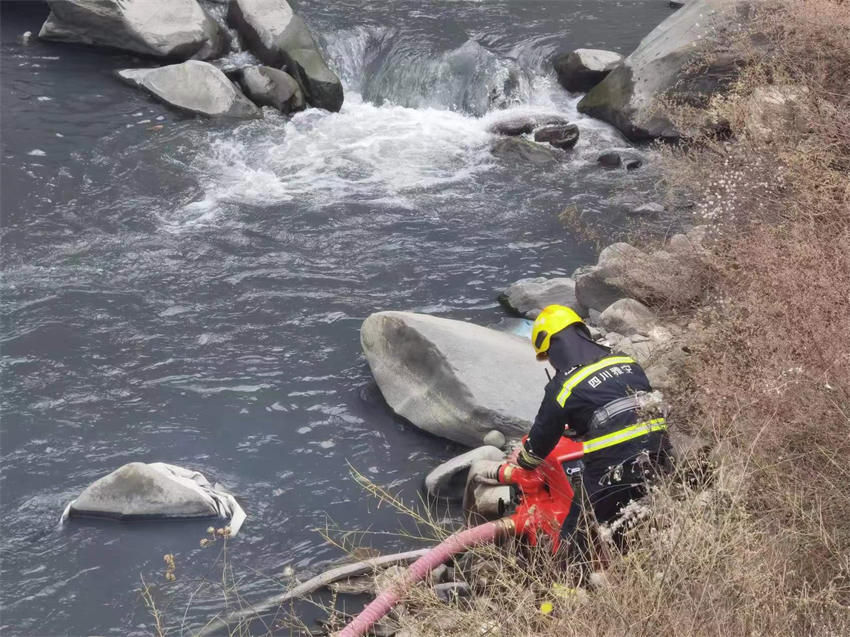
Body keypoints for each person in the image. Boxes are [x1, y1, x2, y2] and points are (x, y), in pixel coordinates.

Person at [504, 304, 672, 550]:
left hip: (612, 465)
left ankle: (571, 585)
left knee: (578, 531)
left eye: (548, 356)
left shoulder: (563, 387)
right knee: (641, 518)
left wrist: (523, 463)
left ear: (552, 346)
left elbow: (539, 445)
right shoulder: (627, 361)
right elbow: (620, 408)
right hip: (660, 454)